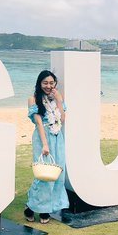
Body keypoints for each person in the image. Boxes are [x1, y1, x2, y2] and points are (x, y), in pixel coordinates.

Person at [24, 70, 69, 224]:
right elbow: (38, 122)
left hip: (57, 137)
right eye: (45, 83)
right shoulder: (33, 99)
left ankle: (47, 208)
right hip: (42, 137)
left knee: (56, 174)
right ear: (39, 83)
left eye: (51, 83)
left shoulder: (56, 97)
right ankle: (32, 207)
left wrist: (59, 100)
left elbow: (62, 119)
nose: (48, 86)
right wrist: (44, 144)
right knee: (43, 175)